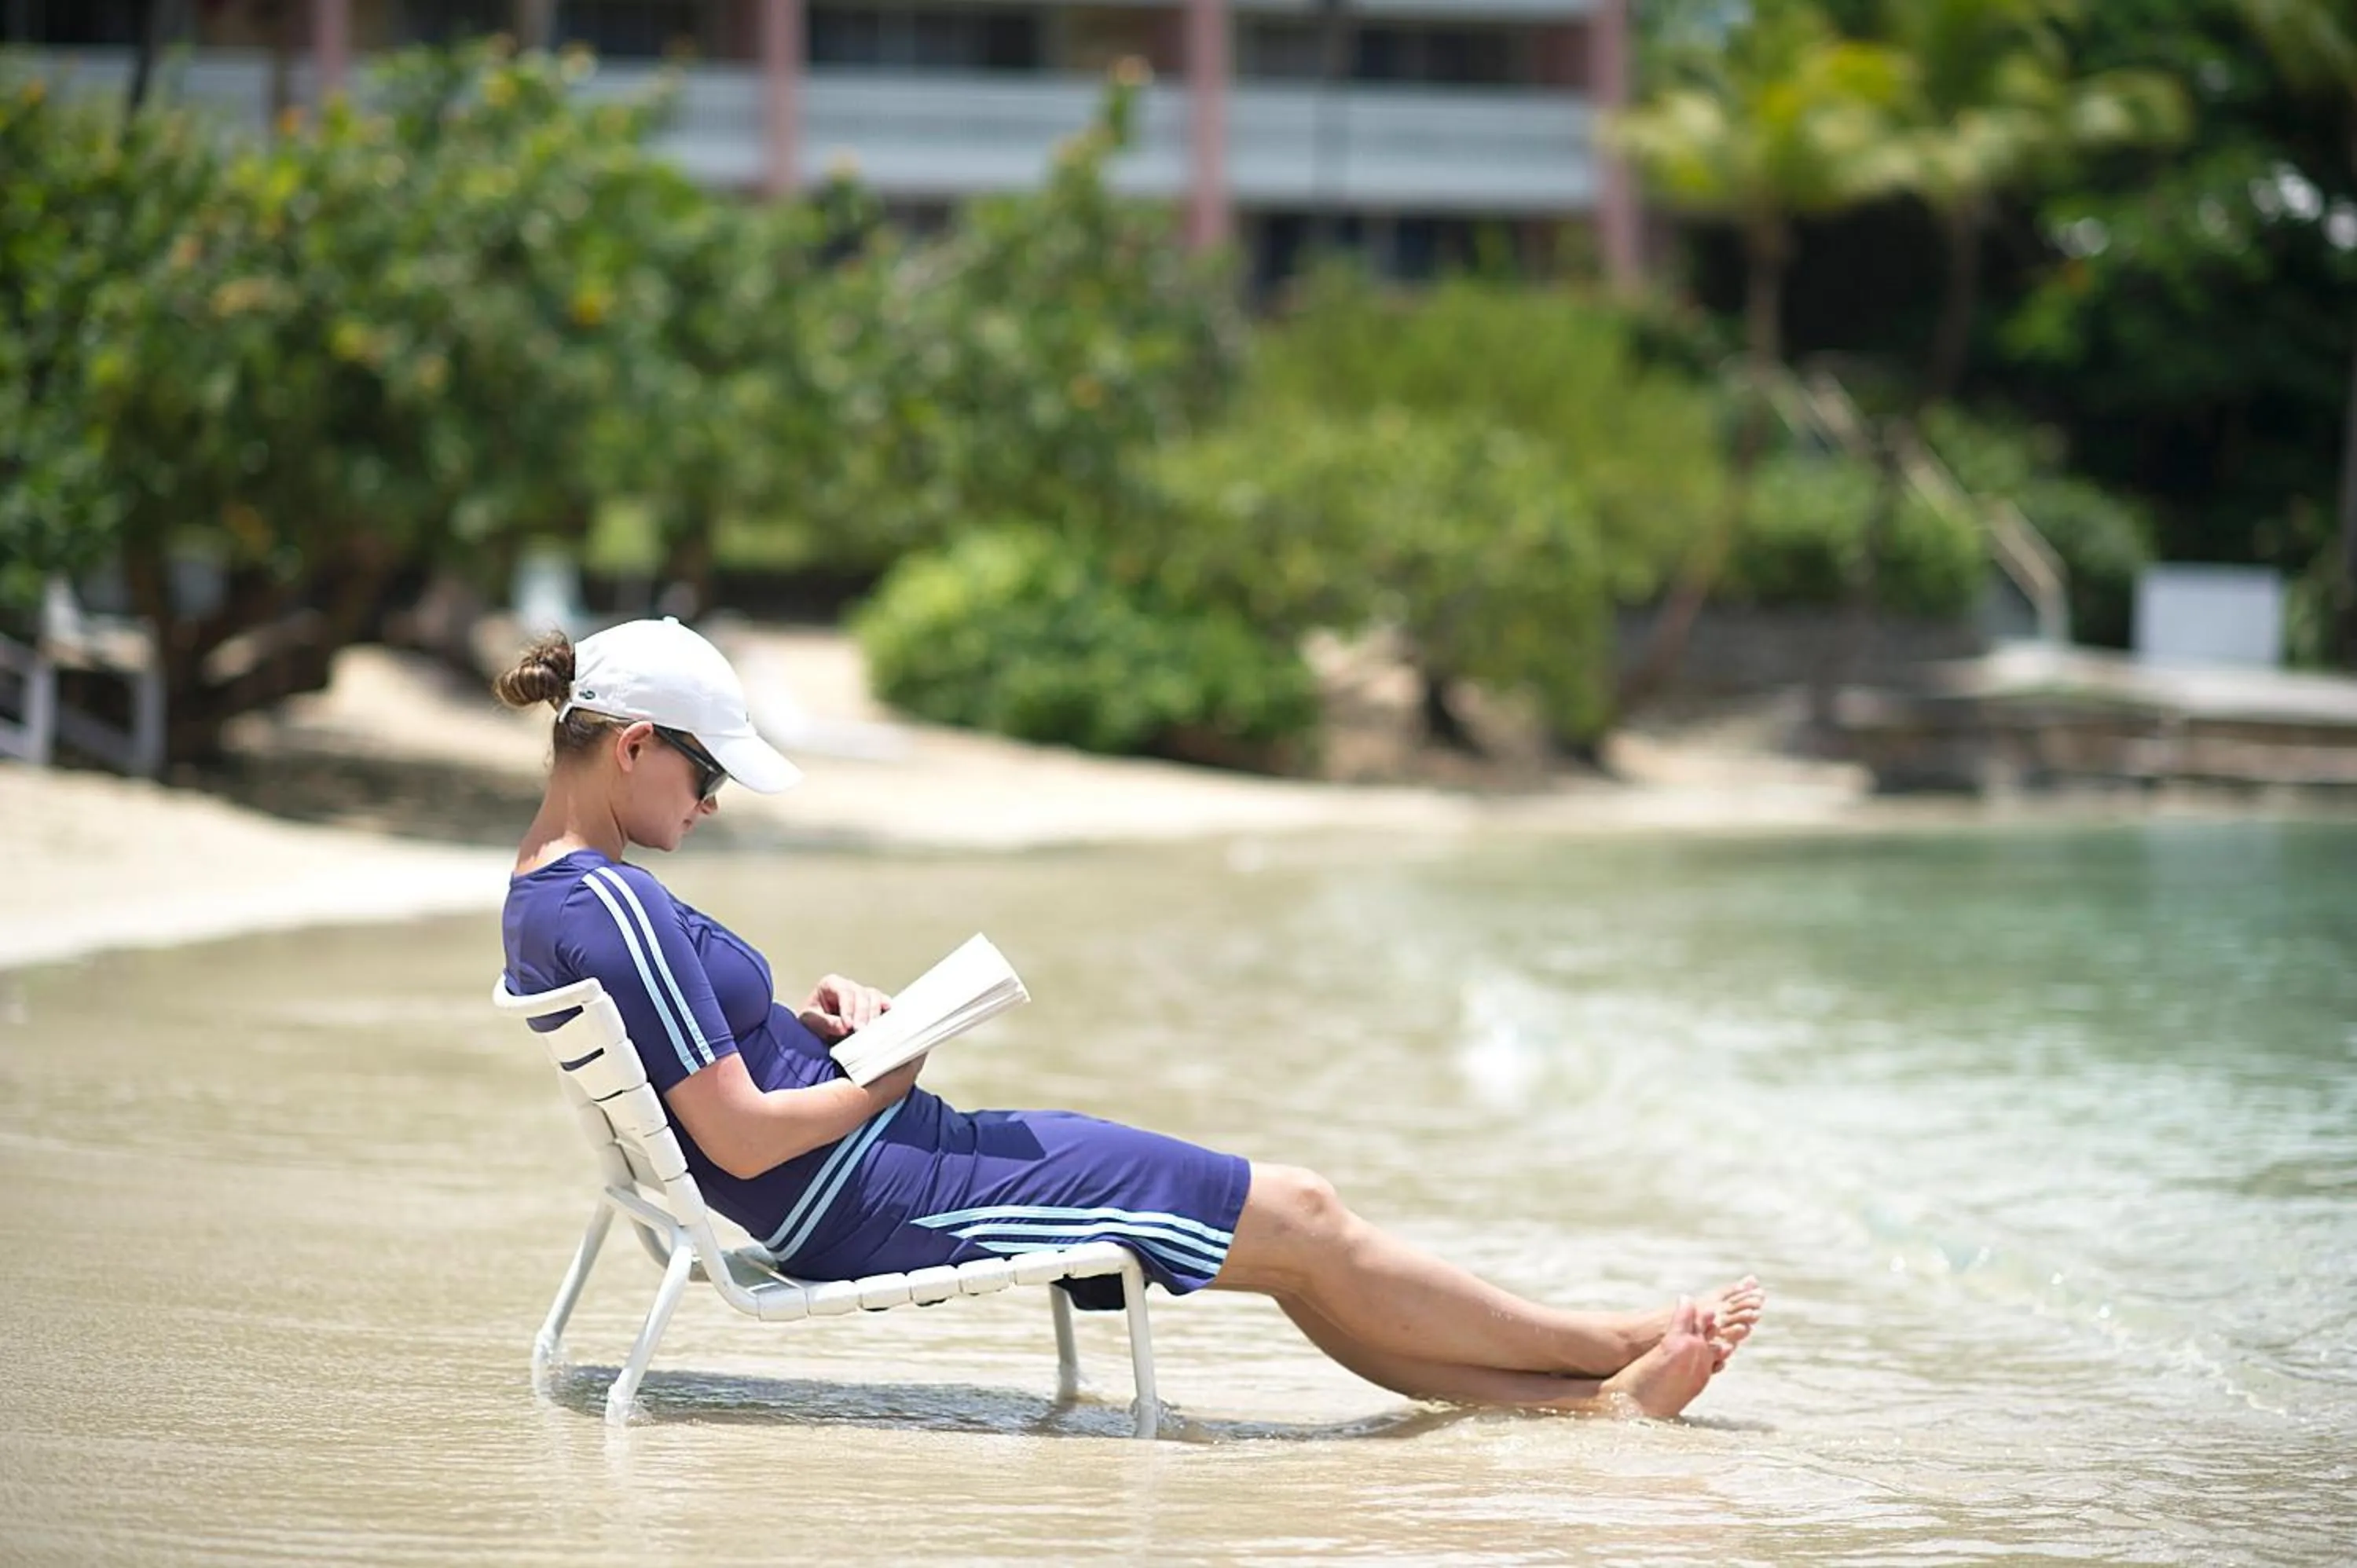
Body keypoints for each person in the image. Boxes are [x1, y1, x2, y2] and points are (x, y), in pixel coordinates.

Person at [496, 618, 1765, 1420]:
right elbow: (749, 1136)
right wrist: (893, 1069)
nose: (712, 803)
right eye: (704, 773)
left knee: (1285, 1239)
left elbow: (708, 1077)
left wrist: (821, 1020)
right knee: (1303, 1214)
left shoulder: (555, 895)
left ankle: (1592, 1400)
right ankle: (1607, 1345)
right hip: (879, 1192)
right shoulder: (614, 907)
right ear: (635, 747)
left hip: (881, 1165)